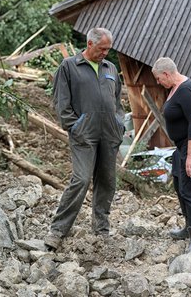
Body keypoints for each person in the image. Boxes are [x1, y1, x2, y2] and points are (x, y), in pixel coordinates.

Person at [44, 27, 125, 250]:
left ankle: (101, 229)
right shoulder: (69, 66)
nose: (105, 53)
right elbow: (61, 102)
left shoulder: (110, 68)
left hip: (109, 134)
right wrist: (75, 126)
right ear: (90, 44)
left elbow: (117, 102)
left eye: (108, 49)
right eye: (102, 49)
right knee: (81, 179)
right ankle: (58, 230)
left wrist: (119, 123)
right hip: (84, 134)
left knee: (107, 181)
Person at [152, 57, 191, 252]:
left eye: (159, 78)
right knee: (179, 185)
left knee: (189, 186)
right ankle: (187, 227)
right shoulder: (176, 88)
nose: (158, 82)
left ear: (167, 74)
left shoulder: (186, 90)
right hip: (182, 146)